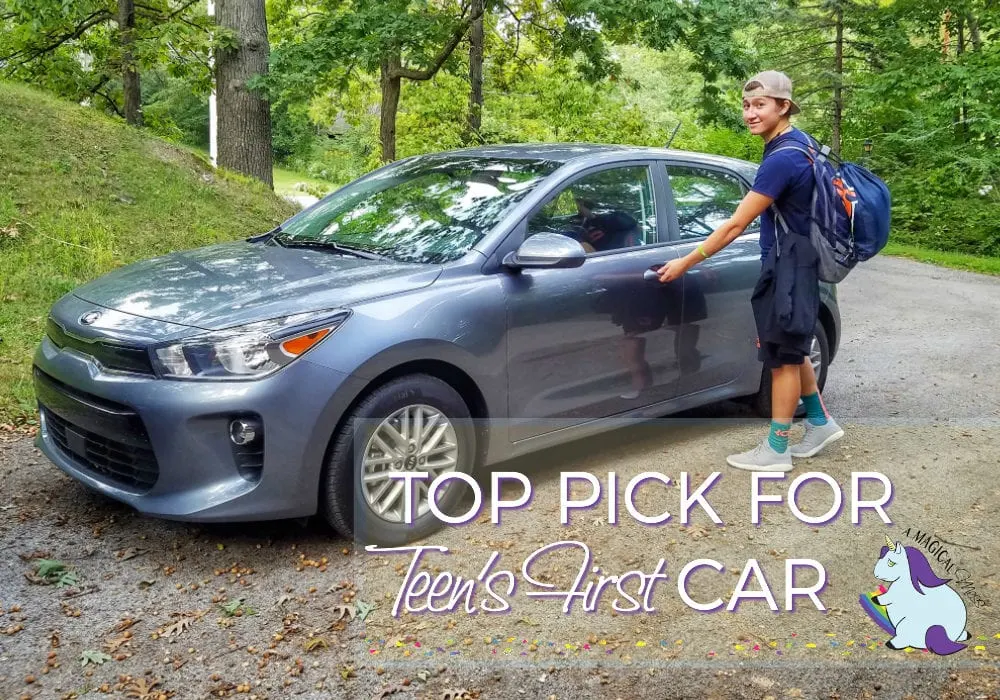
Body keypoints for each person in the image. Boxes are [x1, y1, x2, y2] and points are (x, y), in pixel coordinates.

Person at [656, 70, 844, 472]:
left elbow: (735, 225)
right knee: (791, 351)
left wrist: (685, 262)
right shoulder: (803, 146)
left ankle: (777, 448)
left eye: (760, 105)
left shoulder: (784, 158)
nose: (750, 113)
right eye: (746, 105)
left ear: (783, 106)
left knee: (782, 358)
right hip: (798, 261)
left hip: (789, 266)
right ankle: (819, 422)